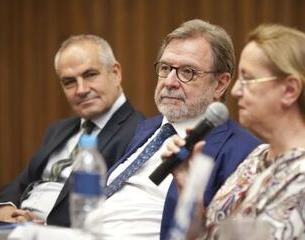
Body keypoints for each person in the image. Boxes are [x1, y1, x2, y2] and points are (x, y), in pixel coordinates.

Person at [163, 24, 305, 239]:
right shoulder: (261, 155)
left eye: (248, 79)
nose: (235, 91)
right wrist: (189, 189)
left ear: (290, 90)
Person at [97, 19, 260, 239]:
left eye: (188, 72)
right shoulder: (145, 128)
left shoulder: (244, 153)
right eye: (165, 68)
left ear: (220, 84)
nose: (170, 82)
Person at [0, 35, 143, 225]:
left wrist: (47, 228)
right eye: (69, 82)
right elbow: (22, 181)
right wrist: (4, 209)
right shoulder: (58, 129)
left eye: (90, 75)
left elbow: (118, 208)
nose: (81, 90)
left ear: (115, 73)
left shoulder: (139, 132)